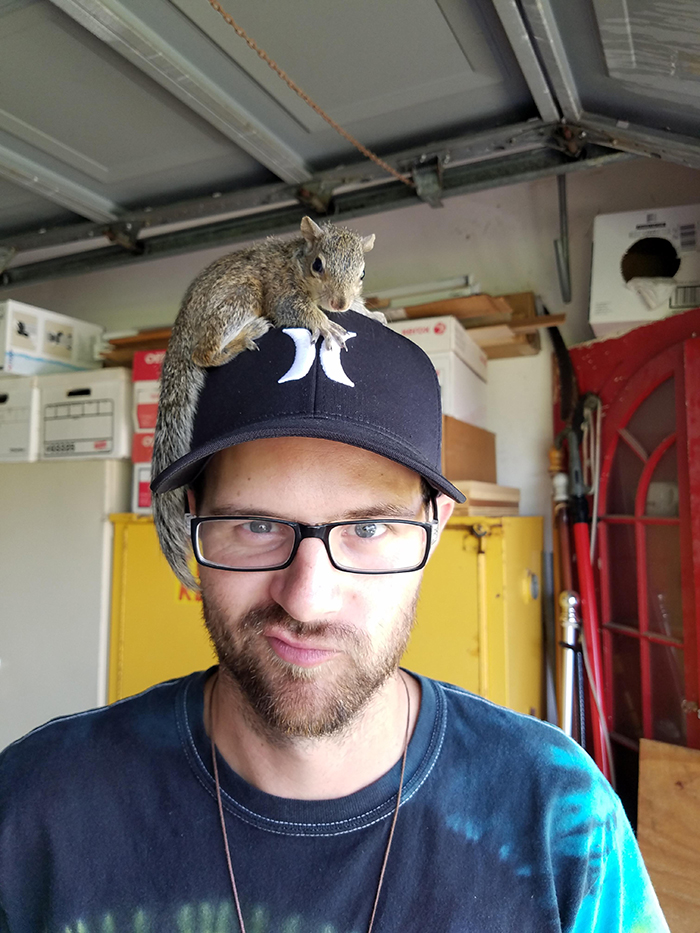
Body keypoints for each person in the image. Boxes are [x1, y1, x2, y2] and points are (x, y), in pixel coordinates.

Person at [0, 310, 667, 933]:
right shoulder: (36, 806)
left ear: (433, 532)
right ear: (193, 517)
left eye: (369, 527)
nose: (307, 599)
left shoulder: (557, 819)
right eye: (256, 524)